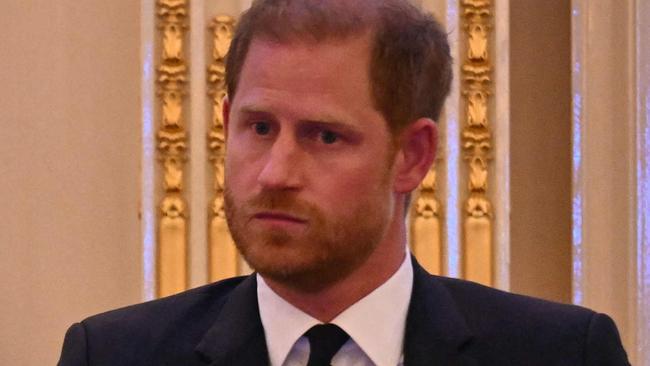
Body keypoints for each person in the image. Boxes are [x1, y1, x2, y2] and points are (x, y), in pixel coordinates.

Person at [58, 0, 630, 365]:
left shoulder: (558, 353)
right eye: (258, 127)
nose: (275, 172)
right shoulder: (112, 353)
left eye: (324, 137)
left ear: (412, 155)